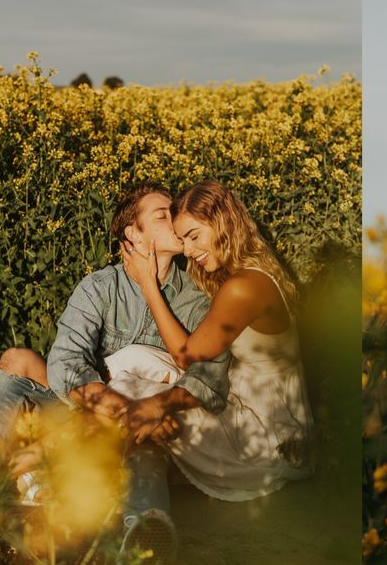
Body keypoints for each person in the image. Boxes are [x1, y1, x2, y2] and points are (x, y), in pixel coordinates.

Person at [0, 182, 231, 565]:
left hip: (147, 423)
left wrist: (143, 413)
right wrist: (120, 407)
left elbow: (209, 379)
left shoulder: (193, 297)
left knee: (146, 443)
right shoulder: (101, 286)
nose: (175, 219)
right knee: (15, 364)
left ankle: (144, 537)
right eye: (162, 214)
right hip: (91, 407)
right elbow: (66, 361)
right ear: (132, 235)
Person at [117, 180, 313, 501]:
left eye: (194, 237)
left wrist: (147, 284)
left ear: (223, 223)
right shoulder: (251, 271)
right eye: (183, 240)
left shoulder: (243, 287)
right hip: (266, 415)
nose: (189, 251)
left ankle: (105, 475)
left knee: (133, 390)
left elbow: (186, 356)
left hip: (262, 437)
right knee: (133, 359)